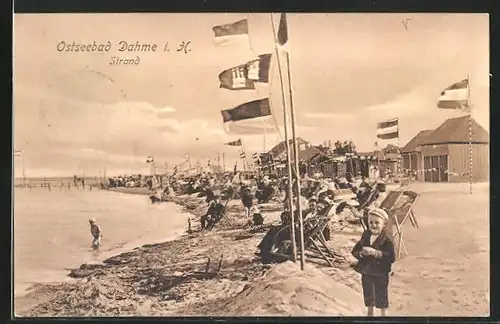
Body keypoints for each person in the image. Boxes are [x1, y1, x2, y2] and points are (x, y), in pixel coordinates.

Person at [351, 208, 396, 317]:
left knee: (381, 295)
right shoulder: (366, 235)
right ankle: (370, 313)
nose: (373, 225)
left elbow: (391, 257)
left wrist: (376, 253)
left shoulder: (386, 240)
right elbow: (355, 250)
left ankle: (383, 315)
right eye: (371, 222)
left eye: (377, 222)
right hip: (366, 272)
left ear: (384, 224)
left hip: (380, 273)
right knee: (368, 294)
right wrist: (361, 253)